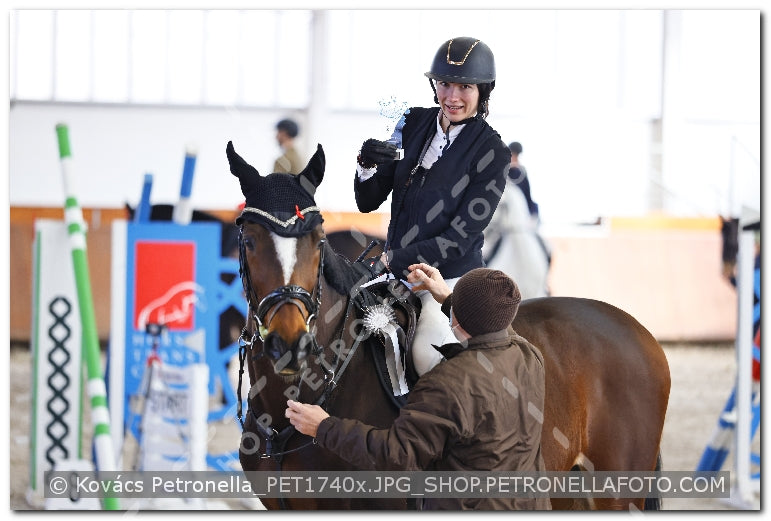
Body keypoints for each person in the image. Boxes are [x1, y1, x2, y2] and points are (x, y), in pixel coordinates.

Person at [286, 265, 550, 511]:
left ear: (459, 317)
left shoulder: (446, 382)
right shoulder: (529, 355)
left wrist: (323, 427)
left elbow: (398, 455)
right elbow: (495, 327)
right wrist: (449, 299)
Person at [353, 37, 511, 375]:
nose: (452, 96)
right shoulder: (410, 124)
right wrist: (366, 165)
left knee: (428, 353)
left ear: (483, 90)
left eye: (464, 87)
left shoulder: (493, 154)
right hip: (395, 271)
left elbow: (460, 238)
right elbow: (367, 202)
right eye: (445, 84)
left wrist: (393, 259)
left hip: (449, 278)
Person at [507, 141, 539, 220]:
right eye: (512, 155)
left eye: (516, 156)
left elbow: (527, 195)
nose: (515, 159)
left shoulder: (521, 173)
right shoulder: (501, 171)